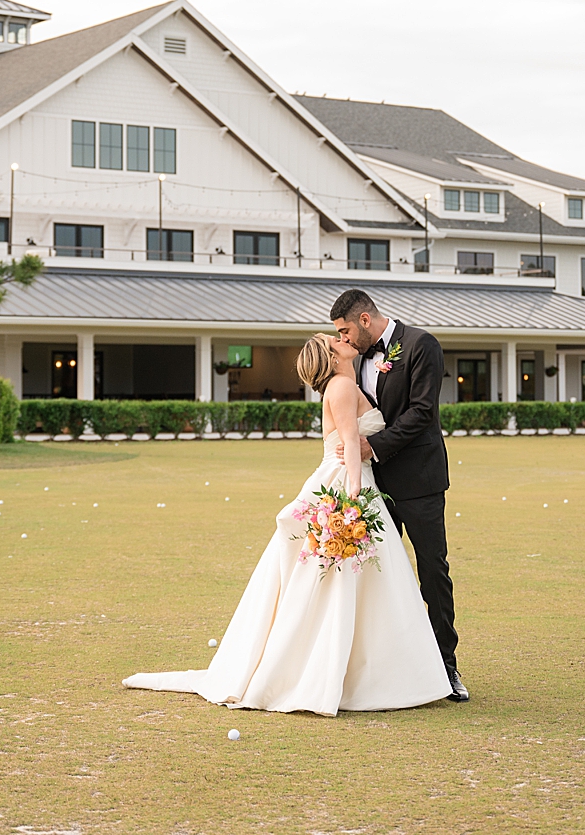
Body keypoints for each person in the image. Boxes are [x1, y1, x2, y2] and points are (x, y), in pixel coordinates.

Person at [122, 332, 451, 715]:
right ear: (332, 355)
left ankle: (360, 668)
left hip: (344, 480)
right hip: (347, 485)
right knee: (342, 580)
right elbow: (349, 447)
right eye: (336, 338)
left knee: (343, 582)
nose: (344, 338)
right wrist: (354, 506)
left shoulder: (346, 383)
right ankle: (351, 672)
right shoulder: (343, 386)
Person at [329, 288, 467, 702]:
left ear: (365, 321)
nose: (344, 340)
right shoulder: (354, 364)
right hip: (374, 487)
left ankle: (447, 667)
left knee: (432, 575)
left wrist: (375, 446)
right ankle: (385, 670)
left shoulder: (422, 345)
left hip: (420, 484)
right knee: (377, 578)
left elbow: (422, 412)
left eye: (346, 330)